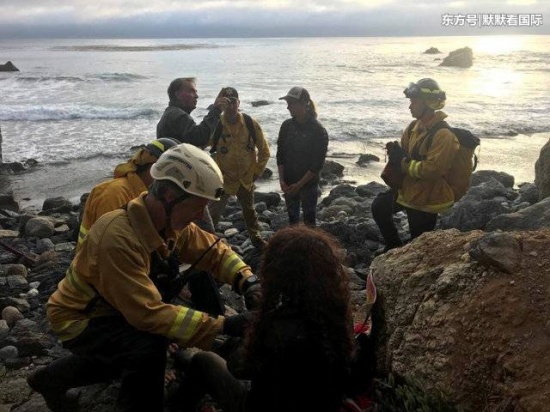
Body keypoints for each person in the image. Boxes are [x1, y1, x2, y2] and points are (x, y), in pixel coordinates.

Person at [27, 143, 262, 412]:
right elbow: (148, 315)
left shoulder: (166, 223)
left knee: (128, 351)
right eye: (198, 207)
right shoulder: (117, 236)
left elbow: (214, 251)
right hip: (81, 317)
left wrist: (248, 281)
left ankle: (47, 380)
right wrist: (224, 325)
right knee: (146, 346)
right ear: (170, 196)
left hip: (116, 307)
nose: (201, 215)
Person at [167, 225, 356, 412]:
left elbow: (238, 368)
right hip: (321, 403)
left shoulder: (277, 326)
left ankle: (174, 404)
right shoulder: (334, 314)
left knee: (203, 360)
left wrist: (248, 331)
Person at [371, 78, 459, 254]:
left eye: (413, 102)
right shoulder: (413, 127)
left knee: (418, 247)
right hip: (409, 191)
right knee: (379, 206)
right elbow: (405, 152)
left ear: (427, 103)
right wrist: (395, 155)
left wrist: (403, 163)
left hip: (427, 198)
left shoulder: (443, 135)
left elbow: (432, 170)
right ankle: (393, 245)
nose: (409, 106)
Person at [76, 137, 178, 251]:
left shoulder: (151, 196)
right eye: (171, 174)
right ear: (153, 167)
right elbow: (112, 247)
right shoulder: (113, 193)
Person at [208, 87, 270, 249]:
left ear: (238, 103)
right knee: (212, 212)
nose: (230, 106)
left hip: (245, 178)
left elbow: (264, 151)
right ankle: (206, 240)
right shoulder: (216, 125)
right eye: (226, 102)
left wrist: (256, 172)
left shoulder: (250, 123)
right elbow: (201, 144)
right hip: (222, 179)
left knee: (249, 211)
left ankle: (256, 238)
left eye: (233, 102)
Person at [276, 86, 328, 226]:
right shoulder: (286, 126)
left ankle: (309, 247)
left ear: (304, 104)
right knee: (292, 220)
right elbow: (280, 154)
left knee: (309, 221)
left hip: (308, 185)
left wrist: (300, 184)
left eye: (291, 103)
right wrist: (281, 180)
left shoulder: (318, 130)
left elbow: (317, 164)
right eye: (288, 103)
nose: (288, 107)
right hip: (288, 182)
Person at [156, 77, 228, 148]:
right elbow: (200, 138)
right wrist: (216, 110)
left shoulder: (170, 113)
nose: (196, 96)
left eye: (195, 92)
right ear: (178, 94)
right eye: (191, 91)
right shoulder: (179, 116)